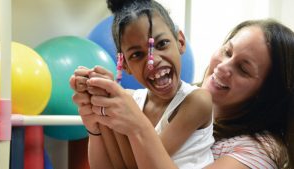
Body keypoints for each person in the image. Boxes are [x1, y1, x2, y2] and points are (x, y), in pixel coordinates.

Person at [72, 18, 294, 168]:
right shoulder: (171, 101)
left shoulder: (262, 148)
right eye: (227, 51)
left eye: (243, 69)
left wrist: (134, 125)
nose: (223, 67)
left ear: (267, 93)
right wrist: (97, 125)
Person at [70, 0, 214, 168]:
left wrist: (111, 103)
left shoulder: (197, 100)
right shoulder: (128, 100)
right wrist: (96, 118)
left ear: (180, 42)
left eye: (161, 44)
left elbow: (137, 165)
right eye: (137, 54)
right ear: (124, 65)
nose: (153, 62)